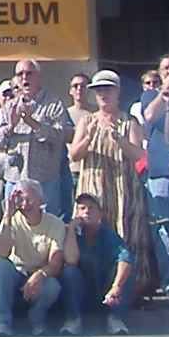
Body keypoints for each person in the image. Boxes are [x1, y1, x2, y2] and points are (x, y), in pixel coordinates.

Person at [66, 71, 152, 295]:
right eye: (98, 91)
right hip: (94, 189)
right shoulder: (87, 121)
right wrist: (88, 138)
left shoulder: (129, 122)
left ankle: (127, 290)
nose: (103, 94)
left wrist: (120, 140)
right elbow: (73, 155)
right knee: (91, 236)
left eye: (107, 89)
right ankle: (91, 289)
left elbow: (137, 155)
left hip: (123, 189)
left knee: (126, 236)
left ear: (118, 92)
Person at [0, 58, 75, 234]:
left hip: (44, 179)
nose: (24, 77)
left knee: (48, 228)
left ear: (39, 77)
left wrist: (32, 122)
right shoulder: (9, 107)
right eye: (20, 74)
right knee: (13, 227)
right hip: (15, 178)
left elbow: (59, 136)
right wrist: (11, 126)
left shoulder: (53, 104)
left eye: (29, 73)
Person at [0, 180, 67, 336]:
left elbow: (55, 263)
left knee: (52, 287)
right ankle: (2, 322)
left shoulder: (55, 224)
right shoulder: (11, 220)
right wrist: (7, 216)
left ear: (40, 200)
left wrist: (39, 275)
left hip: (41, 272)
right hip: (17, 272)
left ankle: (36, 320)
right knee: (1, 266)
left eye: (29, 199)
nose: (24, 204)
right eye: (20, 200)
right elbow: (1, 253)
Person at [60, 190, 133, 335]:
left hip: (105, 293)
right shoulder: (72, 235)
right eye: (82, 208)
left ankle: (115, 319)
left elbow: (125, 257)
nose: (87, 211)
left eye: (91, 208)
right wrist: (71, 229)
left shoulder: (108, 235)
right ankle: (73, 320)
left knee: (125, 271)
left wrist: (116, 286)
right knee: (69, 271)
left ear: (100, 213)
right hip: (81, 294)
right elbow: (71, 260)